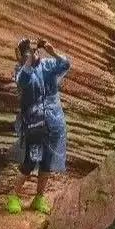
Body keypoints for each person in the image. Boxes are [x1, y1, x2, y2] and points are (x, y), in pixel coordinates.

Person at [7, 35, 70, 215]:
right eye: (29, 52)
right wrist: (28, 62)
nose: (34, 54)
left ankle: (39, 197)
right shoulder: (20, 70)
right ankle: (14, 196)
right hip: (35, 125)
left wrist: (53, 52)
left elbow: (65, 65)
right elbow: (23, 81)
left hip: (54, 122)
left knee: (47, 162)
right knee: (31, 160)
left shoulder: (47, 65)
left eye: (34, 51)